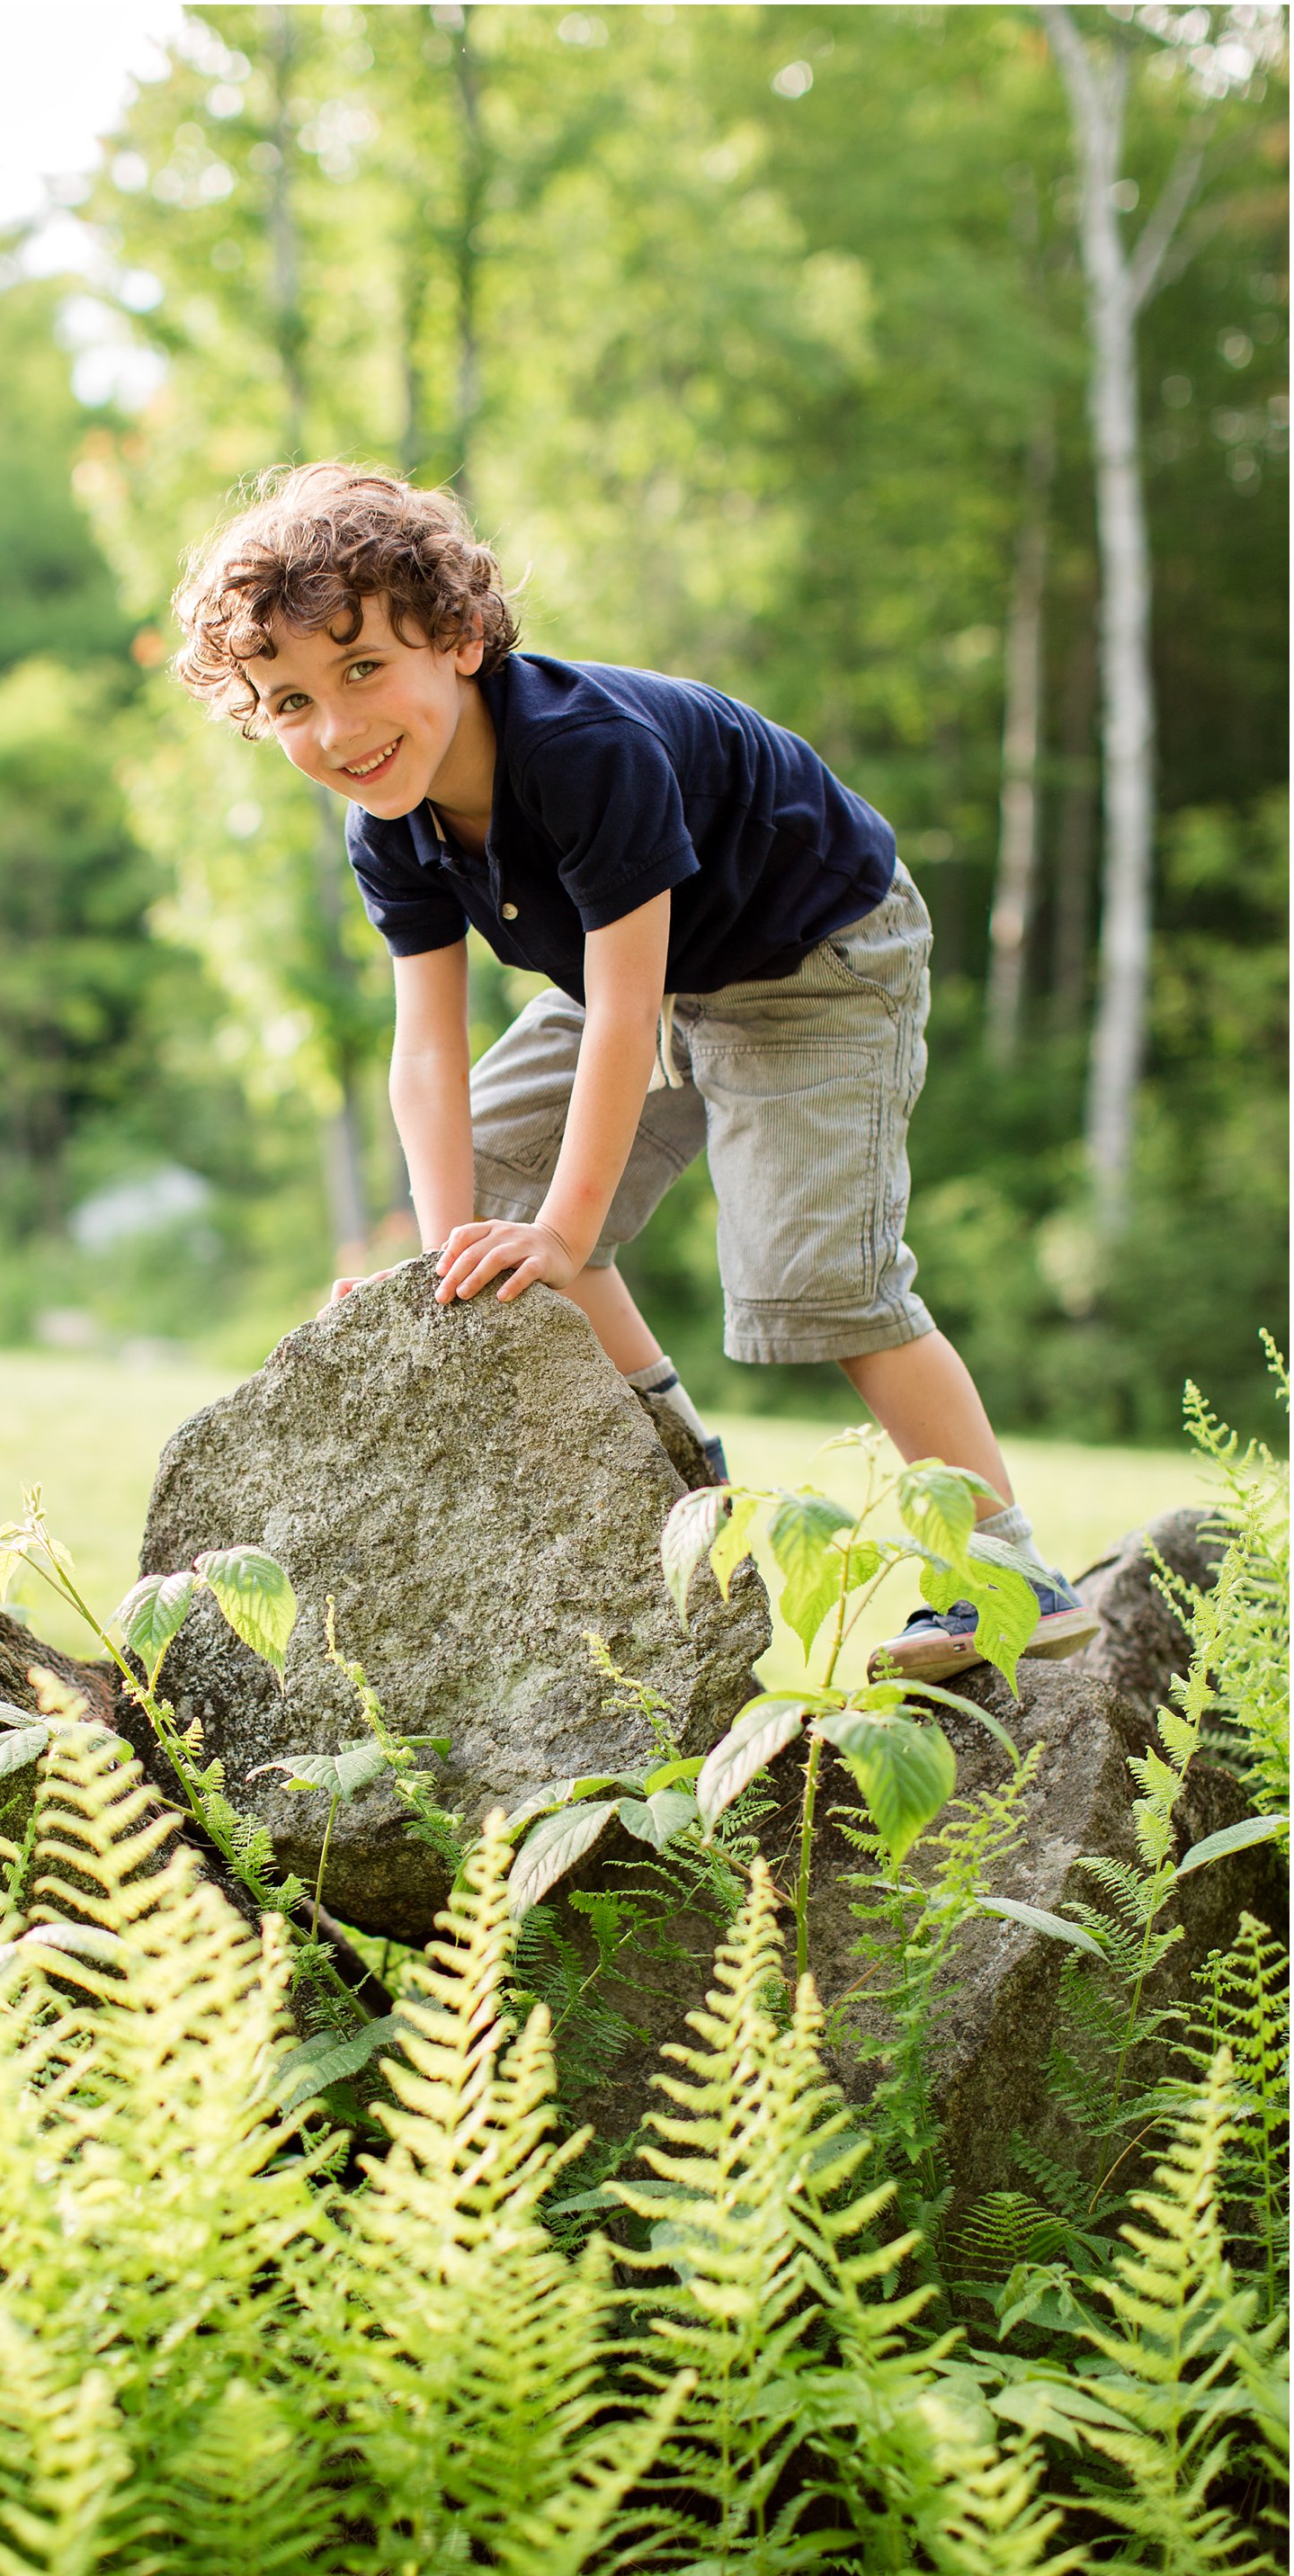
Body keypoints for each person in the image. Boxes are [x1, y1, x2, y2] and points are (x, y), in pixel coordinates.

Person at [170, 461, 1097, 1685]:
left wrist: (561, 1233)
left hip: (812, 960)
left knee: (816, 1274)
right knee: (489, 1212)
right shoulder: (387, 825)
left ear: (455, 639)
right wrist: (453, 1265)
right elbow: (427, 1046)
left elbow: (621, 1015)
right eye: (288, 701)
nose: (337, 730)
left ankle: (1006, 1571)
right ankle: (677, 1471)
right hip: (656, 979)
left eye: (361, 670)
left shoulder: (582, 752)